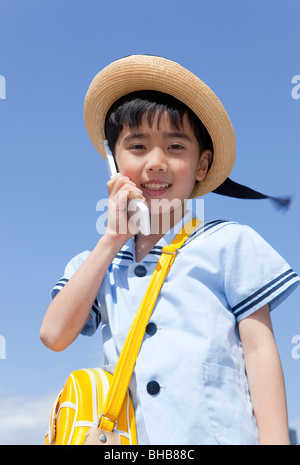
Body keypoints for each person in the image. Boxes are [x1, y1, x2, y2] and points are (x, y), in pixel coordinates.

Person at [40, 55, 300, 445]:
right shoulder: (96, 264)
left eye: (176, 146)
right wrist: (112, 239)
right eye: (138, 146)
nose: (156, 163)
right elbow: (54, 334)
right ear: (113, 161)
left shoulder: (229, 242)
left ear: (202, 164)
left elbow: (260, 353)